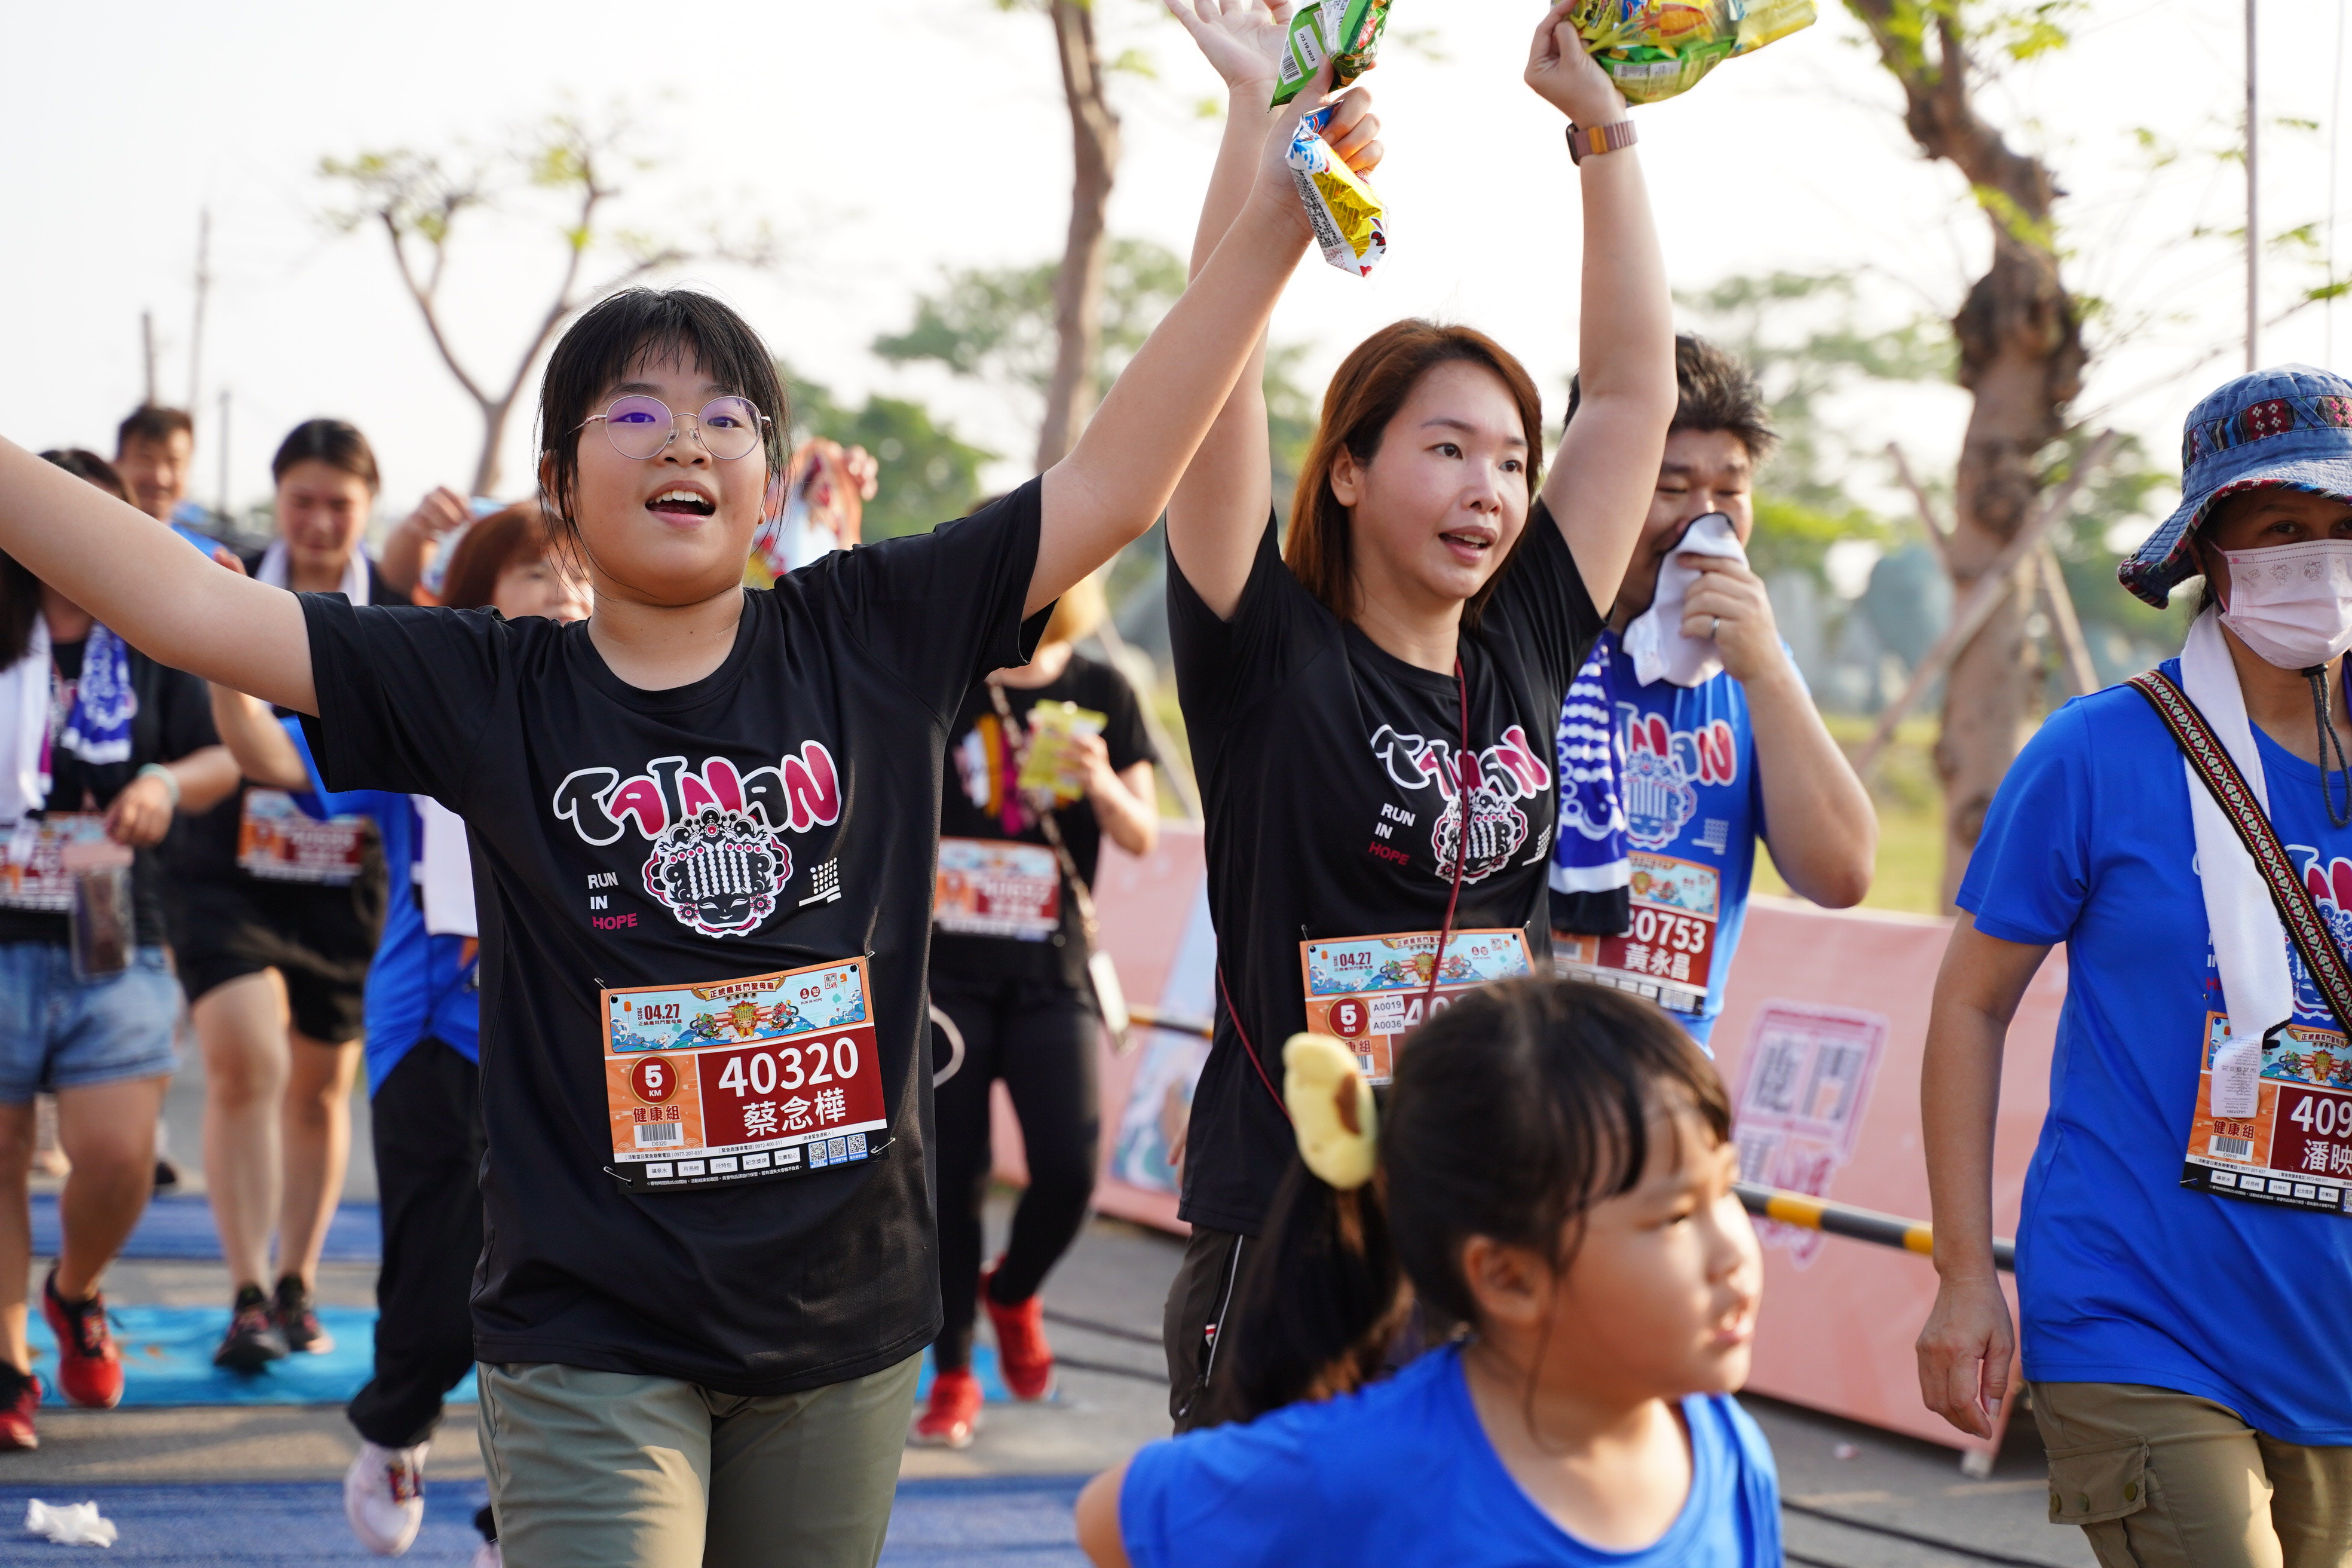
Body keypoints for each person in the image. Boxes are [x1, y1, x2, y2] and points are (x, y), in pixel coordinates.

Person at [0, 58, 1356, 1561]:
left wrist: (1274, 213)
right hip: (590, 1331)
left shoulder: (875, 629)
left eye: (726, 416)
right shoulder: (490, 685)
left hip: (845, 1325)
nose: (684, 440)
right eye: (635, 411)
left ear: (767, 481)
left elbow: (1114, 482)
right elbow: (189, 604)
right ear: (559, 485)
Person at [1154, 0, 1676, 1427]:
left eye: (1510, 460)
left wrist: (1604, 134)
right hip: (1290, 1233)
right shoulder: (1261, 652)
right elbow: (1209, 379)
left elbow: (1634, 393)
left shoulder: (1526, 640)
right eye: (1446, 448)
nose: (1489, 491)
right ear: (1346, 470)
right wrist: (1258, 120)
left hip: (1495, 1222)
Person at [1921, 366, 2352, 1568]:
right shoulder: (2097, 752)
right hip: (2139, 1312)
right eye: (2283, 528)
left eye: (2344, 527)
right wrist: (1964, 1275)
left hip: (2329, 1328)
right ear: (2210, 550)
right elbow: (1970, 1003)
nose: (2321, 559)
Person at [1071, 978, 1776, 1567]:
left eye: (1726, 1191)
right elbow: (1112, 1519)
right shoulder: (1363, 1463)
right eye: (1675, 1216)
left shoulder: (1728, 1450)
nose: (1734, 1252)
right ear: (1509, 1277)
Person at [208, 503, 586, 1563]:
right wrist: (222, 650)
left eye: (578, 576)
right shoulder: (429, 708)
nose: (565, 594)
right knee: (441, 1271)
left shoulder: (623, 703)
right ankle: (399, 1421)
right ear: (478, 594)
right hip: (439, 1024)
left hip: (575, 1040)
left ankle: (524, 1516)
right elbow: (268, 753)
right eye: (537, 574)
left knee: (567, 1282)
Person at [0, 450, 238, 1450]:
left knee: (118, 1157)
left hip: (116, 930)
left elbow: (228, 753)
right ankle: (7, 1363)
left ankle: (75, 1288)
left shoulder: (152, 631)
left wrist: (164, 783)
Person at [1550, 336, 1874, 1045]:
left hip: (1665, 1080)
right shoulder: (1521, 642)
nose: (1703, 520)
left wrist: (1767, 670)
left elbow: (1843, 873)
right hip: (1509, 1071)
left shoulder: (1753, 671)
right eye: (1671, 489)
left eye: (1729, 492)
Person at [173, 418, 406, 1371]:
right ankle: (244, 1294)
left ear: (368, 507)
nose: (317, 522)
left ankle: (297, 1283)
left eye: (338, 505)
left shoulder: (403, 613)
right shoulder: (220, 594)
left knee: (316, 1092)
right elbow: (202, 736)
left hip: (345, 892)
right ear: (277, 500)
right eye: (301, 501)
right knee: (246, 1061)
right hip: (228, 882)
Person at [915, 571, 1159, 1447]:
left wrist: (1100, 782)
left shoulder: (1103, 688)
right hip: (946, 974)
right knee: (952, 1179)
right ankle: (953, 1373)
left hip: (1054, 970)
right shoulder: (944, 675)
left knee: (1069, 1169)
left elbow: (1141, 832)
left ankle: (1013, 1290)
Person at [113, 405, 218, 556]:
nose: (160, 478)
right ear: (117, 465)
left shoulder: (210, 561)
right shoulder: (89, 543)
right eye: (146, 459)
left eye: (174, 462)